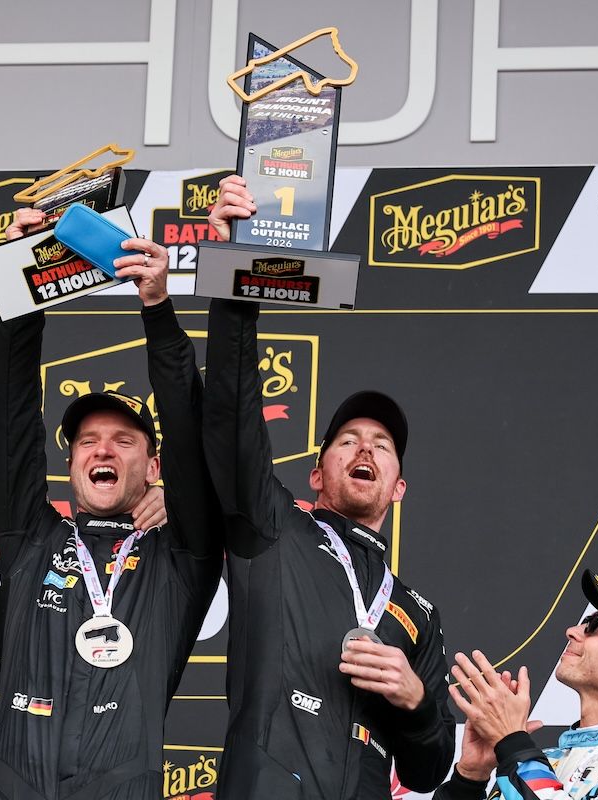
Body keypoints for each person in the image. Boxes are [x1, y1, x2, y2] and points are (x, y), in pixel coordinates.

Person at [203, 174, 455, 798]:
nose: (365, 449)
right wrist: (236, 276)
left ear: (399, 488)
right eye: (348, 440)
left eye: (382, 445)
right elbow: (233, 418)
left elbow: (428, 770)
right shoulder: (275, 529)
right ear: (316, 475)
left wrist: (418, 701)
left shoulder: (416, 614)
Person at [0, 208, 223, 800]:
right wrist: (19, 282)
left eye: (123, 441)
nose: (102, 450)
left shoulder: (180, 557)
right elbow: (11, 423)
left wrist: (157, 308)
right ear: (70, 466)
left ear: (154, 468)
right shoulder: (31, 540)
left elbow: (191, 439)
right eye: (87, 441)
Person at [435, 569, 598, 799]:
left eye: (596, 626)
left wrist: (512, 742)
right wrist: (470, 779)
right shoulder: (546, 762)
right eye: (586, 620)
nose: (572, 631)